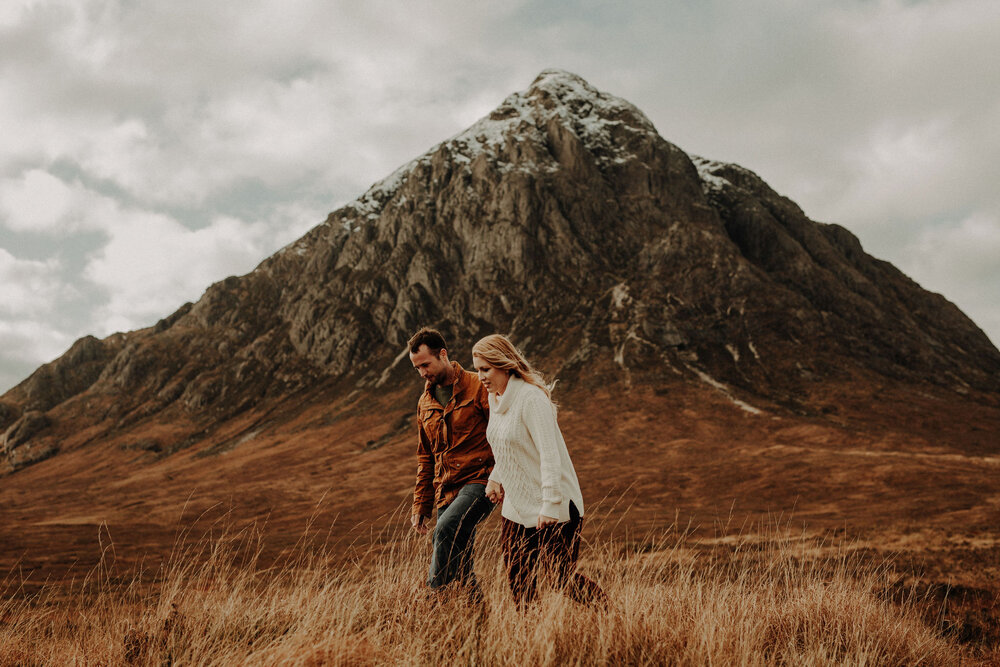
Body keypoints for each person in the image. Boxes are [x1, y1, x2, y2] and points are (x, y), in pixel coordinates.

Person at [471, 333, 606, 608]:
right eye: (477, 370)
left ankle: (609, 615)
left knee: (560, 579)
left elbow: (549, 455)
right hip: (516, 507)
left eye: (486, 369)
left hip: (554, 506)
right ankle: (531, 639)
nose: (480, 376)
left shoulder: (531, 399)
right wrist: (495, 479)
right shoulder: (495, 398)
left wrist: (549, 505)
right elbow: (506, 445)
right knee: (519, 579)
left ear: (504, 364)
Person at [408, 327, 495, 600]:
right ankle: (476, 617)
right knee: (461, 562)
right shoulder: (425, 402)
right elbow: (425, 456)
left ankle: (432, 602)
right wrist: (421, 504)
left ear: (442, 355)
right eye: (417, 368)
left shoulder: (478, 386)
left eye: (425, 364)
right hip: (445, 490)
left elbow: (503, 433)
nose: (422, 373)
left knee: (444, 530)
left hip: (481, 481)